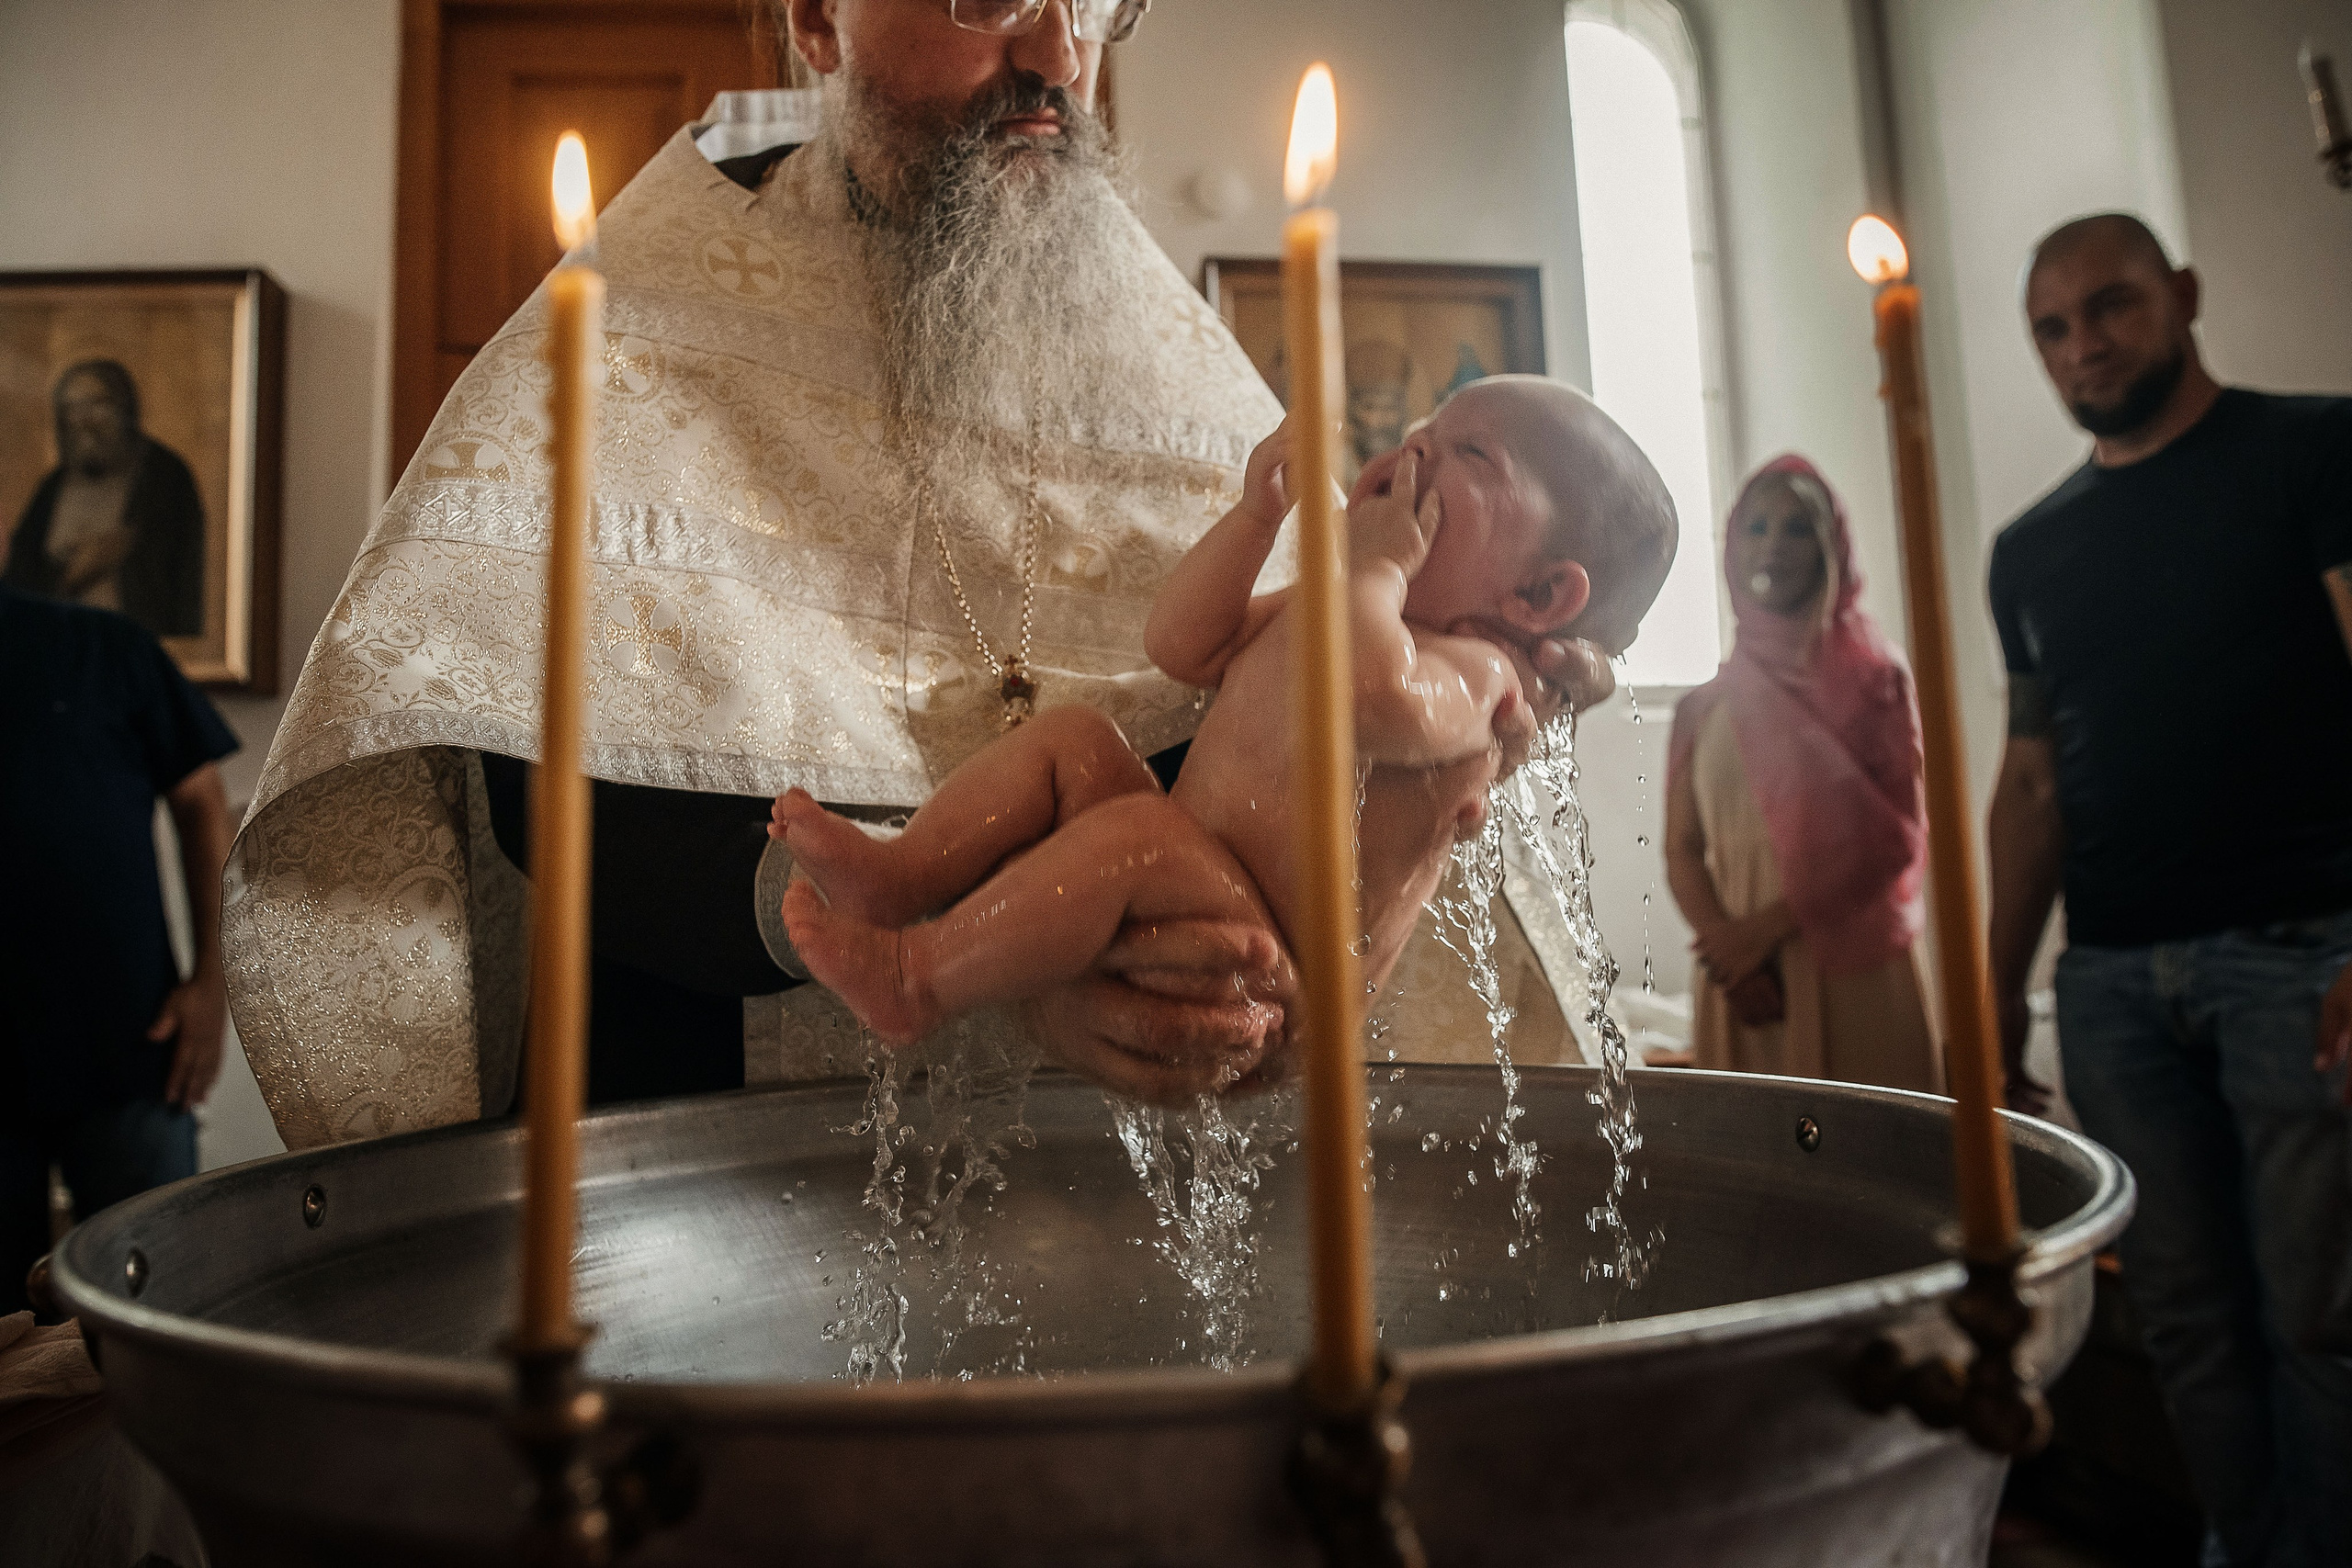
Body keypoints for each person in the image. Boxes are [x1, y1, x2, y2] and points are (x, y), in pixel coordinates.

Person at [223, 0, 1617, 1149]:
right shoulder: (634, 327)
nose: (1057, 57)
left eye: (1090, 2)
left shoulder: (1171, 362)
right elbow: (551, 790)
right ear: (818, 22)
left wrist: (1473, 674)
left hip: (1088, 1180)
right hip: (697, 1153)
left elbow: (1271, 730)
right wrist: (971, 955)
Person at [778, 380, 1677, 1044]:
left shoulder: (1483, 679)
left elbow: (1364, 700)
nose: (1415, 453)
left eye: (1469, 455)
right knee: (1074, 741)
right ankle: (898, 880)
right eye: (1421, 431)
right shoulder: (1337, 606)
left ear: (1540, 593)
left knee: (1138, 835)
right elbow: (1184, 644)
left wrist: (1372, 570)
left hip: (1272, 966)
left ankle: (916, 978)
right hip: (1201, 875)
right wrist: (1255, 520)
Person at [1984, 210, 2352, 1567]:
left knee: (2321, 1312)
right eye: (2054, 327)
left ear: (2184, 294)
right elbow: (2027, 788)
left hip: (2302, 952)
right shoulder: (2033, 550)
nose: (2086, 343)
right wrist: (1989, 997)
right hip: (2115, 978)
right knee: (2191, 1314)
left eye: (2114, 306)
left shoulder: (2315, 449)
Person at [1662, 457, 1937, 1091]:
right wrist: (1733, 959)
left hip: (1859, 974)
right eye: (1755, 527)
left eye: (1797, 528)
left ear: (1831, 546)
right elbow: (1682, 849)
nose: (1773, 546)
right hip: (1748, 988)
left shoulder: (1876, 682)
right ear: (1731, 548)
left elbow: (1897, 839)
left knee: (1875, 1170)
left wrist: (1762, 932)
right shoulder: (1702, 707)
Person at [1, 584, 235, 1317]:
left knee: (156, 1300)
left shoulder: (107, 647)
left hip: (133, 1039)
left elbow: (203, 804)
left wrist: (212, 985)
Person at [4, 360, 207, 638]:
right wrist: (71, 576)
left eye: (98, 403)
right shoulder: (52, 488)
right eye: (72, 408)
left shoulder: (164, 478)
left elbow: (179, 584)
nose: (85, 421)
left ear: (126, 409)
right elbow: (20, 582)